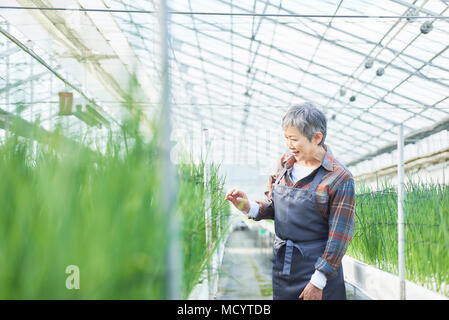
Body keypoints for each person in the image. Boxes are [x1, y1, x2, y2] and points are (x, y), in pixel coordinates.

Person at [225, 102, 355, 300]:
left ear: (317, 138)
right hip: (284, 267)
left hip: (319, 272)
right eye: (286, 138)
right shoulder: (284, 165)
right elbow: (273, 207)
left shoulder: (339, 178)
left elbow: (339, 236)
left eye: (294, 139)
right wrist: (247, 206)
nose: (289, 144)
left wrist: (318, 281)